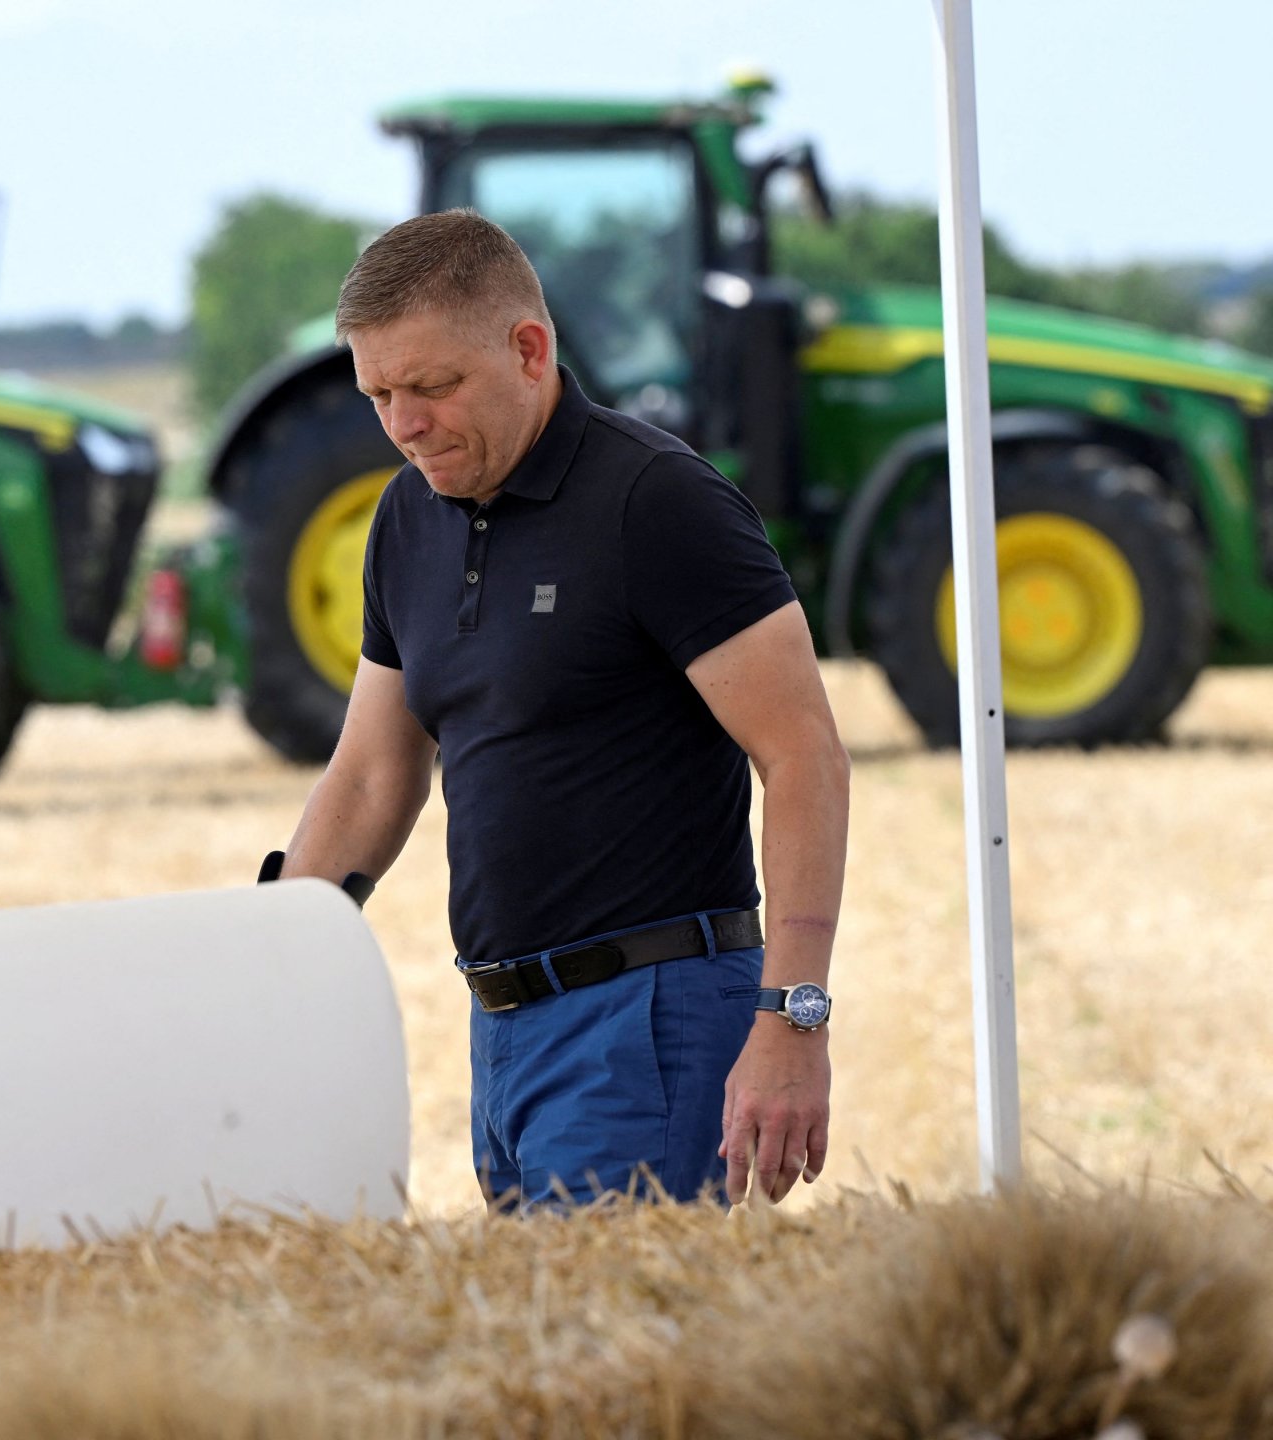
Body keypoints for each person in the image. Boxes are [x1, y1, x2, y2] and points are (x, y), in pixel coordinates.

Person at [272, 210, 850, 1209]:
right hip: (499, 1031)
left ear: (529, 350)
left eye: (432, 387)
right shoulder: (404, 519)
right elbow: (370, 774)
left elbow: (803, 757)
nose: (404, 425)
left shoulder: (656, 501)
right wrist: (266, 949)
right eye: (379, 396)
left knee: (614, 1317)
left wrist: (792, 1021)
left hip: (649, 1024)